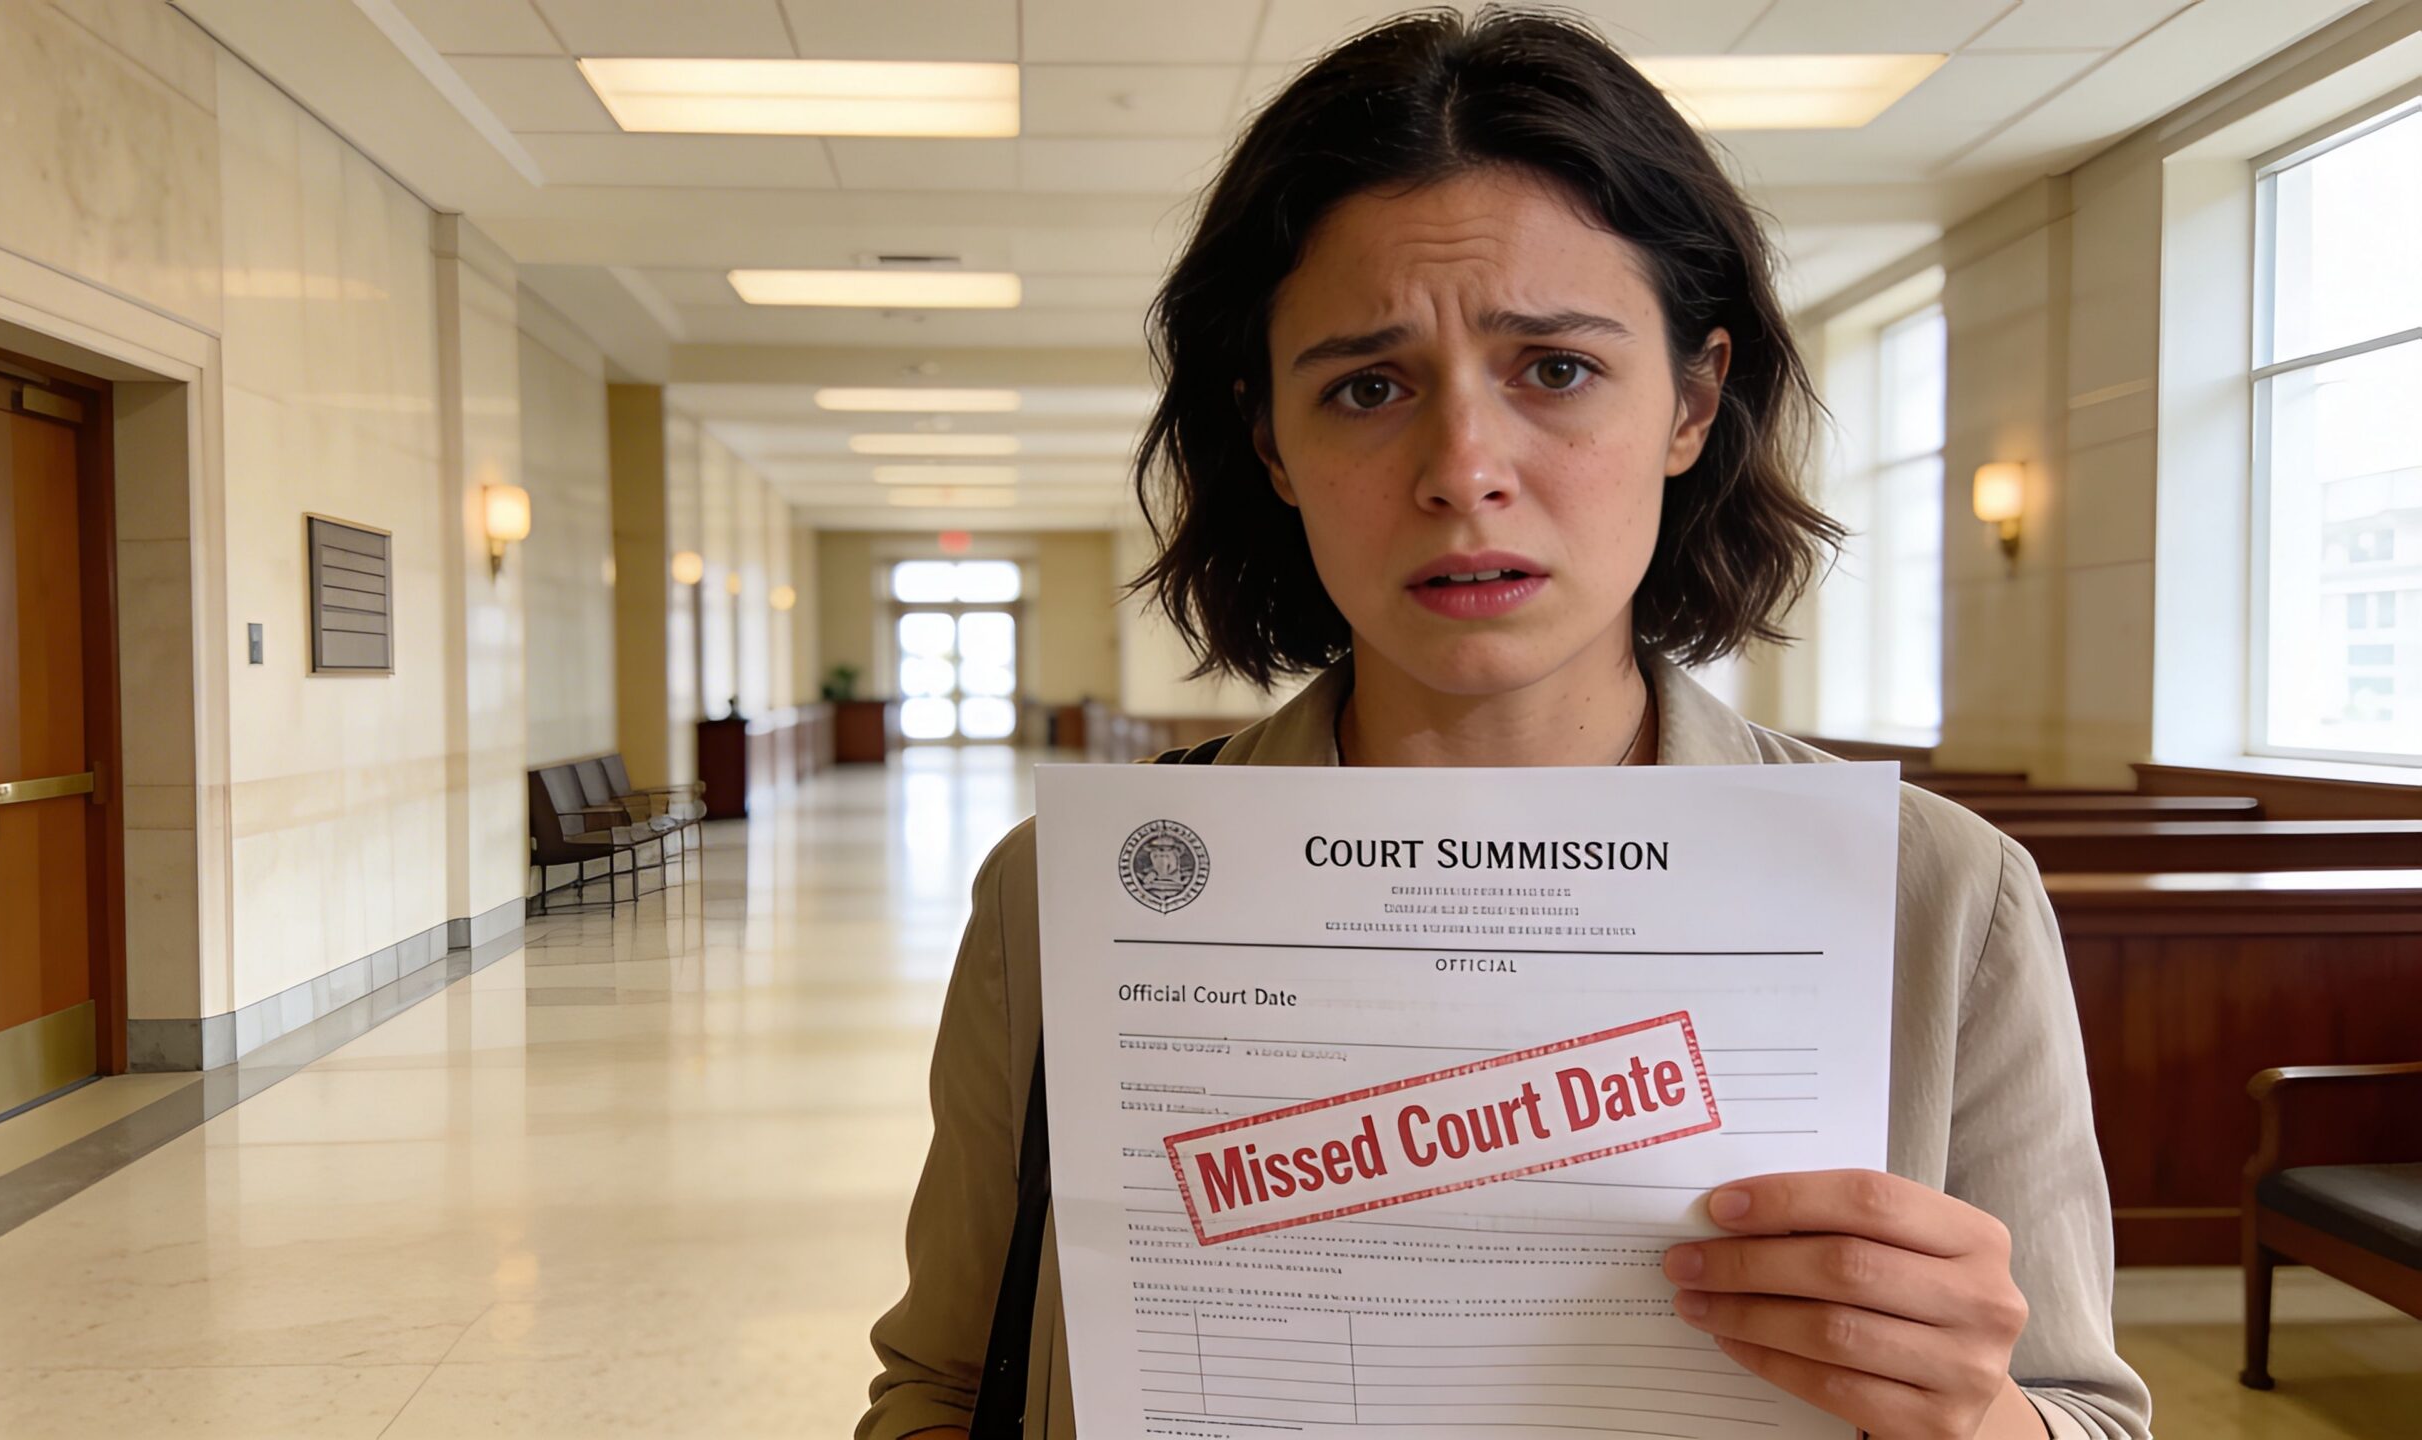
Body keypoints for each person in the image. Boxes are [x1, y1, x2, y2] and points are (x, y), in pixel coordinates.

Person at [859, 10, 2151, 1439]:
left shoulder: (1940, 895)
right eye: (1367, 386)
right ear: (1274, 442)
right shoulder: (1063, 898)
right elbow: (939, 1389)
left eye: (1554, 368)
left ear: (1693, 401)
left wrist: (1984, 1416)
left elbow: (2086, 1417)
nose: (1464, 470)